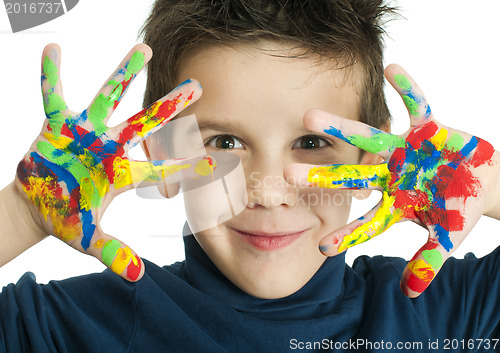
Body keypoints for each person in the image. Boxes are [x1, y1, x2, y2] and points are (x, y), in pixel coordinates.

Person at [1, 0, 499, 352]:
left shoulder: (443, 315)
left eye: (312, 143)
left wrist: (487, 183)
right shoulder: (73, 328)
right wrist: (21, 212)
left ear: (380, 156)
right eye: (225, 143)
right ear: (158, 152)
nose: (269, 191)